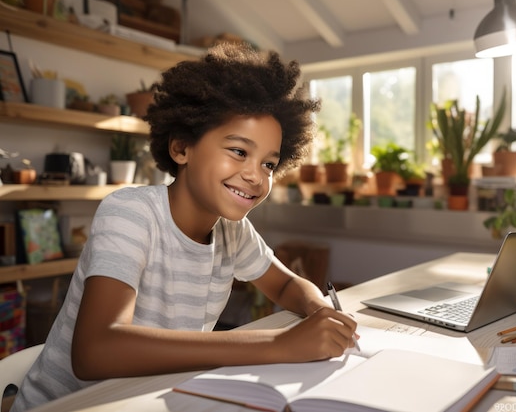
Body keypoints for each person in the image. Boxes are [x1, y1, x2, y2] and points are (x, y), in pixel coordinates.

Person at [11, 43, 358, 412]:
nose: (256, 176)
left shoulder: (232, 232)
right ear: (181, 149)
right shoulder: (130, 213)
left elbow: (287, 283)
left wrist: (320, 309)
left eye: (269, 164)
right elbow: (95, 351)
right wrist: (279, 345)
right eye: (239, 151)